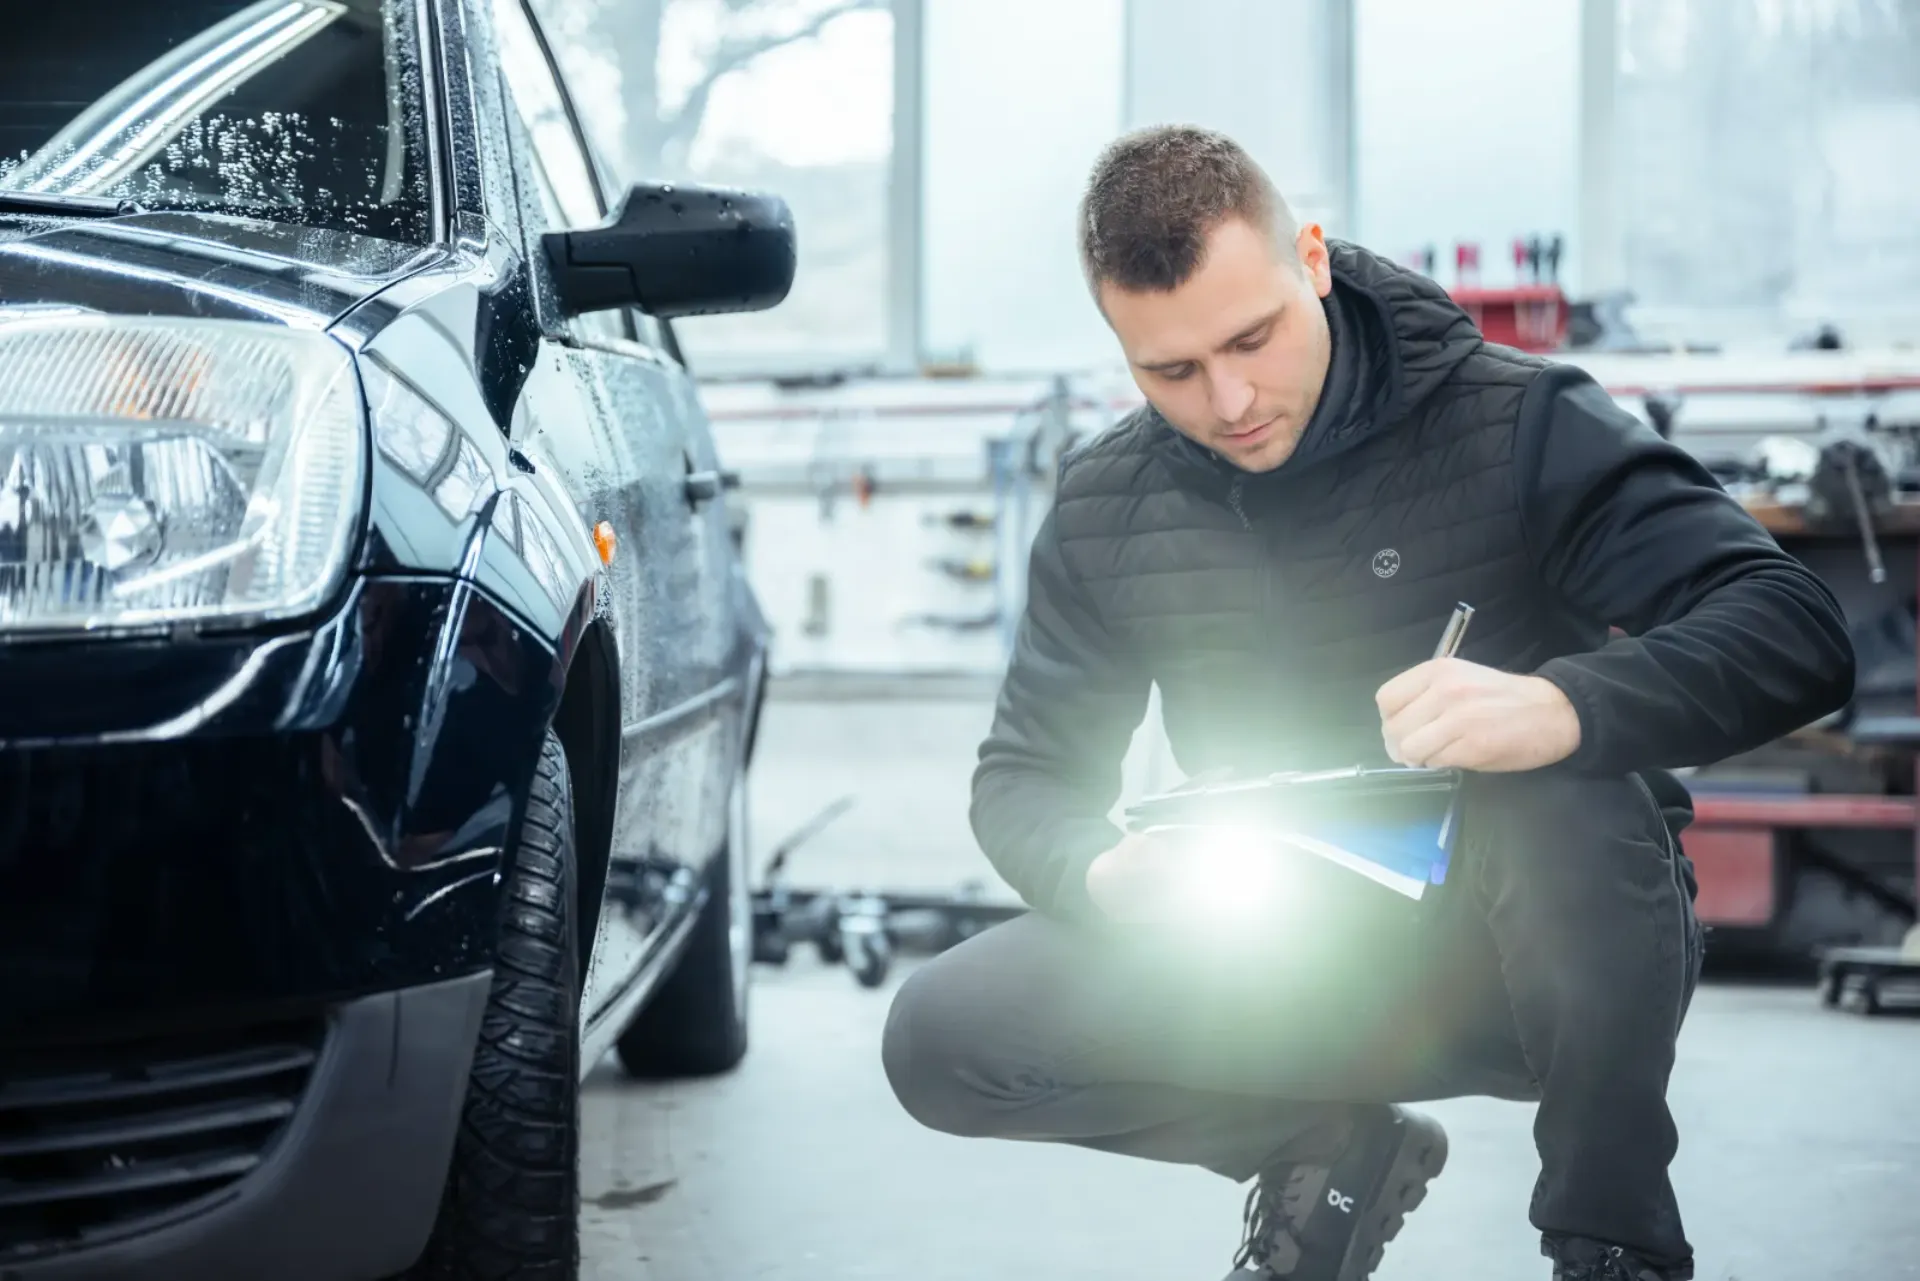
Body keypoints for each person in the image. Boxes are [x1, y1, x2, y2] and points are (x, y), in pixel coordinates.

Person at [879, 125, 1856, 1281]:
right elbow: (1026, 777)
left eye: (1253, 338)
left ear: (1313, 257)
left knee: (1555, 798)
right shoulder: (1108, 502)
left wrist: (1563, 707)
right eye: (1171, 370)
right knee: (943, 1040)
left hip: (1532, 957)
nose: (1230, 400)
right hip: (1271, 950)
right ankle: (1323, 1146)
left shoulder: (1518, 422)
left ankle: (1611, 1243)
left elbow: (1794, 626)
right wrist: (1099, 871)